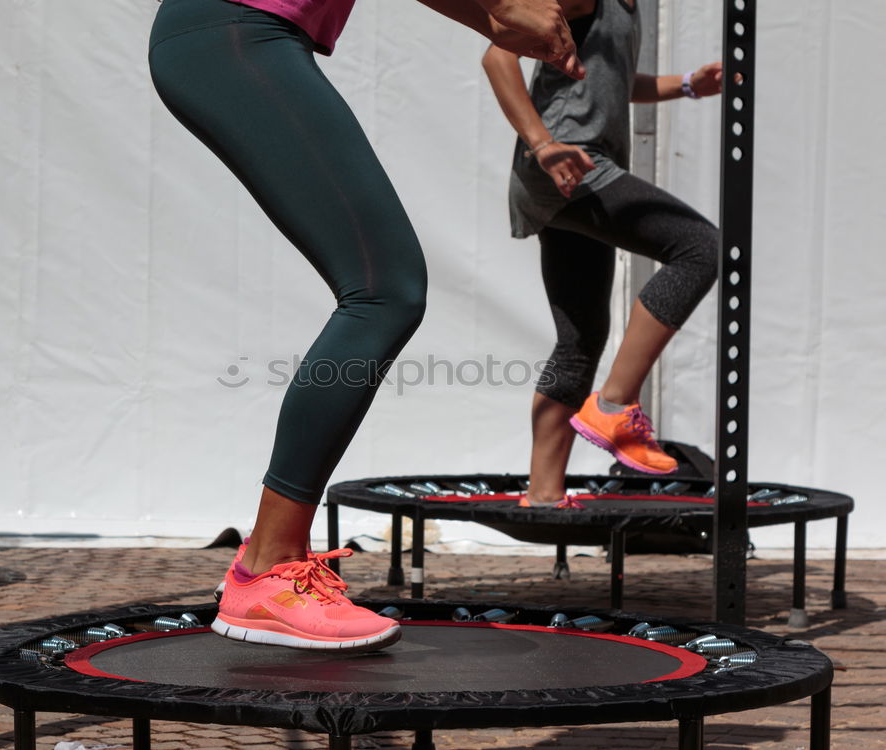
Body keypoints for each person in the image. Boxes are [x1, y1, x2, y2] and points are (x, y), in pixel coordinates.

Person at [148, 0, 584, 652]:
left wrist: (492, 22)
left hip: (243, 35)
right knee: (384, 290)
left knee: (389, 290)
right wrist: (498, 10)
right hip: (233, 29)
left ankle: (272, 560)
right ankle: (266, 567)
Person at [481, 0, 724, 508]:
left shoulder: (629, 10)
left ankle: (543, 492)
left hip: (570, 171)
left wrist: (685, 86)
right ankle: (614, 404)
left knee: (580, 339)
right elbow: (497, 56)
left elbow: (615, 82)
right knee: (699, 246)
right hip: (568, 164)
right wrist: (542, 143)